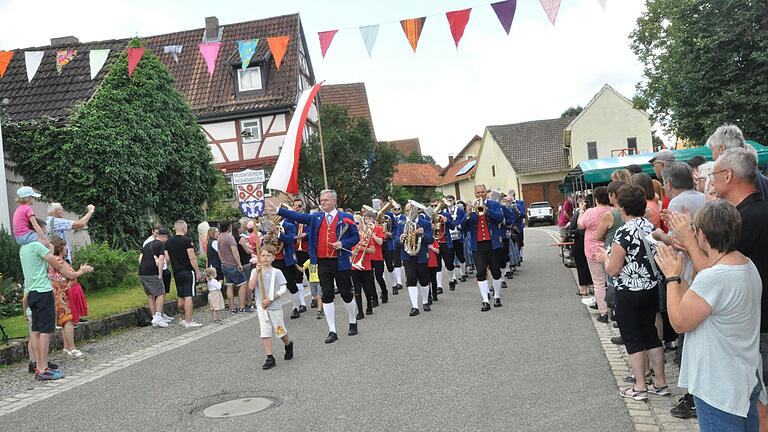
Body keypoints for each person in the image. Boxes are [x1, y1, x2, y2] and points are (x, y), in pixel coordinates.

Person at [672, 147, 768, 424]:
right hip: (747, 327)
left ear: (728, 175)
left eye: (712, 174)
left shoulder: (748, 217)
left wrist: (689, 246)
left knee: (754, 404)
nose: (708, 181)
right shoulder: (749, 214)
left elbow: (714, 272)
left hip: (739, 340)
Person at [657, 201, 766, 431]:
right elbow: (698, 300)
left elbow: (678, 322)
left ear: (703, 236)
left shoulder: (715, 277)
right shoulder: (746, 264)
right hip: (742, 378)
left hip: (719, 386)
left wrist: (670, 277)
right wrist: (682, 267)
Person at [594, 184, 669, 401]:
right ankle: (660, 383)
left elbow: (613, 269)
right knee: (651, 334)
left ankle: (639, 386)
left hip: (629, 291)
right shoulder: (648, 225)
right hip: (650, 288)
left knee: (633, 337)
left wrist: (604, 258)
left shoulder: (624, 232)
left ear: (621, 206)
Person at [274, 189, 360, 343]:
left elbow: (355, 237)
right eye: (321, 200)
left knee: (346, 293)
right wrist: (278, 210)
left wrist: (343, 243)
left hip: (340, 261)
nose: (322, 202)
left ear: (334, 201)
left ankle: (352, 321)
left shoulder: (346, 217)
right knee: (326, 294)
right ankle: (332, 330)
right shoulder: (316, 217)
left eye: (326, 200)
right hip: (322, 262)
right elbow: (298, 216)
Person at [22, 220, 86, 380]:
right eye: (43, 231)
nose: (45, 235)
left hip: (32, 292)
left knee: (36, 331)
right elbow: (54, 260)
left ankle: (38, 366)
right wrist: (47, 243)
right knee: (45, 332)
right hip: (43, 291)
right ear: (37, 231)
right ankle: (43, 369)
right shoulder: (37, 247)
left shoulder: (23, 248)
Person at [249, 245, 295, 370]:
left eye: (268, 256)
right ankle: (270, 357)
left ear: (273, 258)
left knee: (279, 330)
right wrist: (257, 273)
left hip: (274, 306)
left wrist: (272, 298)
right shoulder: (255, 271)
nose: (265, 258)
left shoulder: (277, 272)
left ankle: (288, 343)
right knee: (265, 330)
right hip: (262, 307)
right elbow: (251, 287)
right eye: (263, 255)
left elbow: (283, 288)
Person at [48, 236, 94, 357]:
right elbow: (71, 275)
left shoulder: (56, 260)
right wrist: (83, 270)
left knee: (65, 321)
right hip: (64, 295)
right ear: (60, 248)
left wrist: (80, 270)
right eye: (65, 246)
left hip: (61, 293)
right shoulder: (59, 261)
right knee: (68, 320)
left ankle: (67, 348)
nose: (67, 248)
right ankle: (72, 348)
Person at [462, 184, 506, 310]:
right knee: (480, 272)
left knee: (496, 271)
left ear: (486, 193)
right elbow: (463, 227)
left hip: (493, 244)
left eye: (482, 192)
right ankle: (485, 300)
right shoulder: (471, 207)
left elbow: (500, 218)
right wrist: (468, 214)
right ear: (475, 194)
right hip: (478, 245)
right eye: (478, 192)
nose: (480, 194)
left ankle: (497, 296)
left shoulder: (493, 204)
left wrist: (488, 210)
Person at [576, 186, 612, 323]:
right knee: (613, 281)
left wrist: (581, 211)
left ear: (596, 199)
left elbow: (580, 225)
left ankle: (603, 313)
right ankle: (614, 311)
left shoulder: (590, 212)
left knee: (598, 282)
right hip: (609, 250)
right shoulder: (613, 211)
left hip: (593, 251)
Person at [706, 124, 768, 200]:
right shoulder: (761, 179)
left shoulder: (735, 182)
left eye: (713, 150)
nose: (712, 156)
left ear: (722, 149)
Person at [165, 220, 202, 328]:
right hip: (187, 270)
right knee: (188, 295)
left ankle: (182, 318)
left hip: (176, 271)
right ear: (183, 227)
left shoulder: (168, 242)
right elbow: (192, 257)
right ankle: (189, 321)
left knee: (180, 295)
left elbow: (167, 259)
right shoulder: (187, 241)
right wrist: (197, 271)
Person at [400, 201, 434, 316]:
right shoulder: (402, 224)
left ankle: (425, 301)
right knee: (411, 279)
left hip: (421, 255)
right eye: (407, 210)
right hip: (407, 256)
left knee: (424, 280)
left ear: (416, 210)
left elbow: (431, 240)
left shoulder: (425, 223)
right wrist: (401, 238)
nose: (409, 213)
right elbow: (395, 242)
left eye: (410, 210)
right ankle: (415, 306)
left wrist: (423, 234)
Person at [265, 214, 302, 319]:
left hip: (286, 260)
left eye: (274, 214)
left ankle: (296, 307)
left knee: (290, 284)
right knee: (273, 286)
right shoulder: (270, 226)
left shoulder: (289, 226)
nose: (273, 217)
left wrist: (278, 233)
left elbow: (291, 240)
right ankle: (274, 309)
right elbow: (267, 244)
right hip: (274, 260)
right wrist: (266, 239)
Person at [138, 227, 171, 327]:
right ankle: (158, 317)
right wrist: (160, 274)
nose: (167, 240)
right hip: (152, 273)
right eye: (167, 238)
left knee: (150, 295)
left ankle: (154, 317)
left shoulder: (148, 244)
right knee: (161, 293)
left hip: (142, 273)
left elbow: (140, 258)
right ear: (163, 237)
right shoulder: (161, 245)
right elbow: (161, 260)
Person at [218, 221, 248, 312]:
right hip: (232, 264)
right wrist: (239, 264)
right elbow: (234, 251)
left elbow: (219, 251)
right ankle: (242, 306)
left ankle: (232, 306)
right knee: (242, 284)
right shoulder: (229, 237)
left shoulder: (219, 237)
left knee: (229, 285)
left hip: (224, 264)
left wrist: (222, 260)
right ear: (228, 227)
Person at [351, 214, 377, 318]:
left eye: (357, 223)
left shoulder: (366, 235)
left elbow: (373, 250)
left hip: (366, 265)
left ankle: (369, 306)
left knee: (367, 288)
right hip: (354, 266)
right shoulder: (351, 237)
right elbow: (348, 252)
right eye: (354, 223)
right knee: (357, 289)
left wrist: (361, 249)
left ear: (361, 224)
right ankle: (360, 311)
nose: (355, 225)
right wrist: (353, 252)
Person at [650, 149, 676, 232]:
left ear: (661, 164)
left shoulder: (673, 184)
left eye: (654, 165)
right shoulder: (673, 182)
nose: (653, 168)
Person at [292, 198, 310, 312]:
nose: (297, 208)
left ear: (303, 207)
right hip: (296, 251)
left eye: (299, 206)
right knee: (298, 278)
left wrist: (306, 234)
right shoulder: (291, 220)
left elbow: (313, 231)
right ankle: (302, 303)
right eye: (295, 206)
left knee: (311, 276)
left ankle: (315, 298)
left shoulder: (307, 218)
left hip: (306, 250)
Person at [144, 224, 172, 296]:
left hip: (164, 267)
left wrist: (167, 265)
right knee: (156, 293)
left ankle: (161, 303)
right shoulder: (148, 242)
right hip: (154, 269)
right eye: (156, 233)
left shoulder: (162, 242)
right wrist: (159, 274)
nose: (157, 235)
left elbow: (166, 255)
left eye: (158, 233)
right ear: (152, 232)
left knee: (163, 290)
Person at [382, 202, 404, 294]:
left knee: (390, 266)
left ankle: (394, 284)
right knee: (379, 267)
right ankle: (383, 288)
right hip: (378, 243)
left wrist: (391, 234)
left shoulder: (389, 215)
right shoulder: (374, 215)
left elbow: (395, 228)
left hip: (388, 243)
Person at [446, 196, 468, 282]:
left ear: (454, 201)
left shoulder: (459, 210)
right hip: (448, 237)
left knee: (460, 255)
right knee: (450, 257)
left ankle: (463, 273)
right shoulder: (444, 211)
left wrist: (459, 226)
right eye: (447, 201)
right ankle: (453, 277)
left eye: (451, 201)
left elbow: (463, 220)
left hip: (458, 236)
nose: (449, 202)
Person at [368, 210, 388, 304]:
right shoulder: (364, 229)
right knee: (370, 279)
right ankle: (374, 298)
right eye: (366, 218)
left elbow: (380, 242)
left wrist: (372, 235)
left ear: (373, 219)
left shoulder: (378, 228)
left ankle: (384, 292)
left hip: (378, 256)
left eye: (369, 218)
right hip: (368, 257)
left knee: (379, 277)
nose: (368, 220)